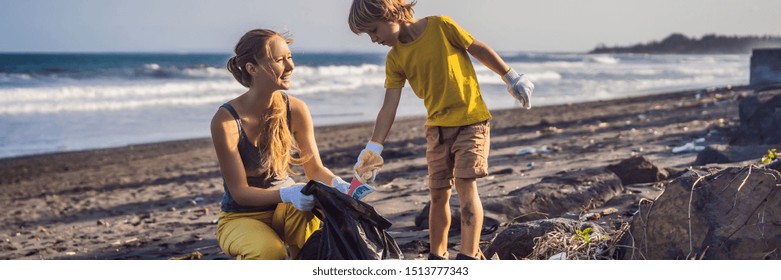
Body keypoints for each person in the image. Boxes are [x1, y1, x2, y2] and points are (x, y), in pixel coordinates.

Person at [347, 0, 534, 260]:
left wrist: (511, 76)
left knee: (465, 187)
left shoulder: (441, 26)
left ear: (390, 14)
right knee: (437, 195)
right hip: (436, 131)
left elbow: (477, 48)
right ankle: (438, 256)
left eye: (374, 30)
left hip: (471, 123)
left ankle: (469, 255)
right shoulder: (396, 58)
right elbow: (389, 105)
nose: (373, 39)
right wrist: (373, 147)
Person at [211, 29, 351, 260]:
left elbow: (314, 169)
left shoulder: (296, 109)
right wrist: (287, 194)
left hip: (288, 209)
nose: (290, 66)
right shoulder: (226, 121)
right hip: (241, 218)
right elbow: (240, 193)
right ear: (252, 68)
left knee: (309, 229)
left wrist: (340, 184)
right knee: (270, 252)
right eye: (279, 60)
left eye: (290, 57)